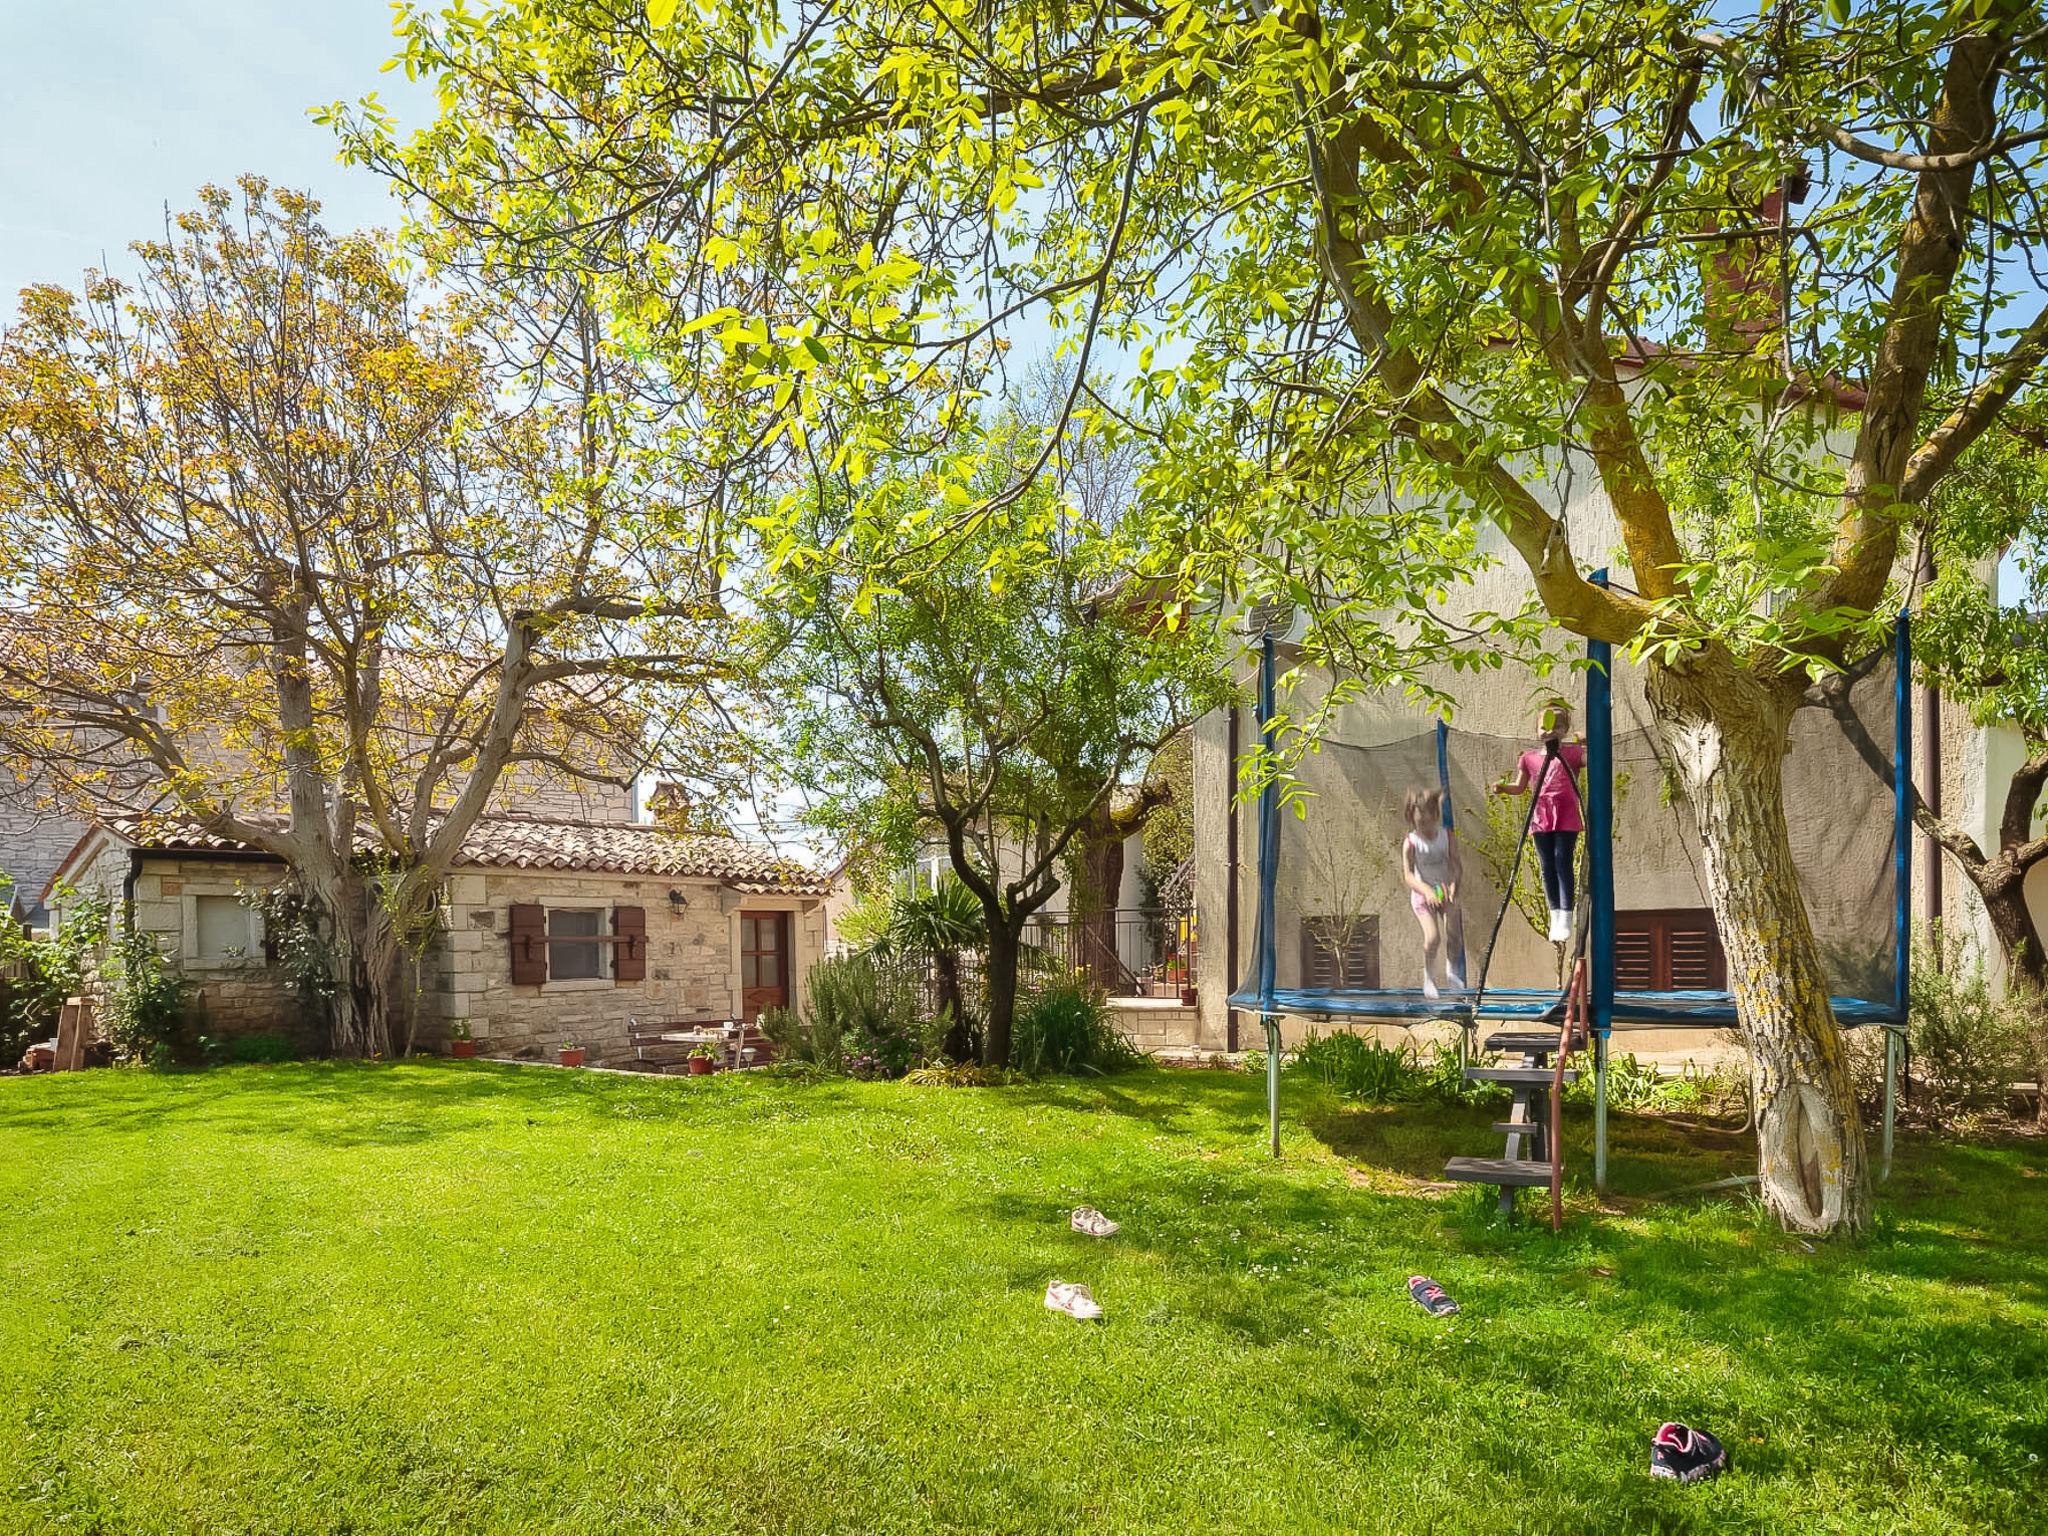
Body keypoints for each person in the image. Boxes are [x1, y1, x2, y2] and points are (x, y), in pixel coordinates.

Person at [1494, 701, 1588, 942]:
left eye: (1557, 726)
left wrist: (1585, 741)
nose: (1550, 731)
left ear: (1565, 729)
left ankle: (1566, 914)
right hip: (1541, 817)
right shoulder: (1529, 758)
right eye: (1545, 726)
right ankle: (1554, 913)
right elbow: (1520, 786)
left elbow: (1594, 759)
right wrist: (1504, 788)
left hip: (1565, 815)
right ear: (1537, 729)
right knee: (1547, 866)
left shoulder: (1572, 754)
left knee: (1562, 861)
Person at [1401, 786, 1465, 999]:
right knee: (1433, 938)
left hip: (1444, 891)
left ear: (1436, 816)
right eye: (1419, 824)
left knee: (1454, 933)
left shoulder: (1446, 836)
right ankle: (1428, 976)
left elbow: (1456, 865)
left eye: (1427, 823)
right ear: (1412, 820)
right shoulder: (1411, 842)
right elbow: (1408, 875)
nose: (1424, 828)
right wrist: (1426, 890)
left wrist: (1455, 884)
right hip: (1422, 894)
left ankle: (1452, 971)